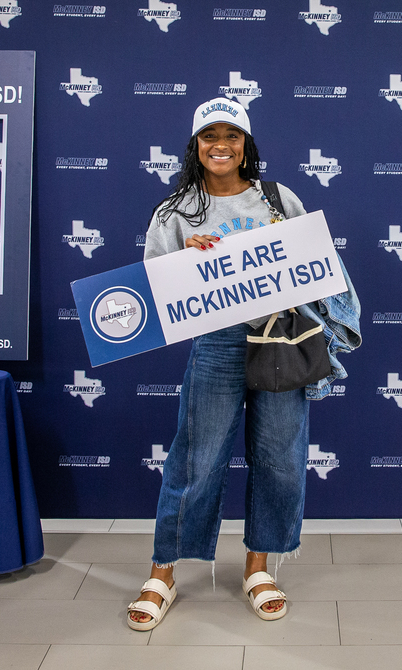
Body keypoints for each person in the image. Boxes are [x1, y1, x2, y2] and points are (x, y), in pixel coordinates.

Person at [127, 98, 314, 630]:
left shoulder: (278, 199)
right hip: (217, 343)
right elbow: (156, 288)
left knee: (280, 454)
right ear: (196, 145)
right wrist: (193, 260)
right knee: (197, 457)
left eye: (232, 135)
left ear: (246, 145)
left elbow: (314, 265)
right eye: (210, 135)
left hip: (279, 337)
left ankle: (260, 567)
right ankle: (163, 572)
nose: (221, 145)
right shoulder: (175, 212)